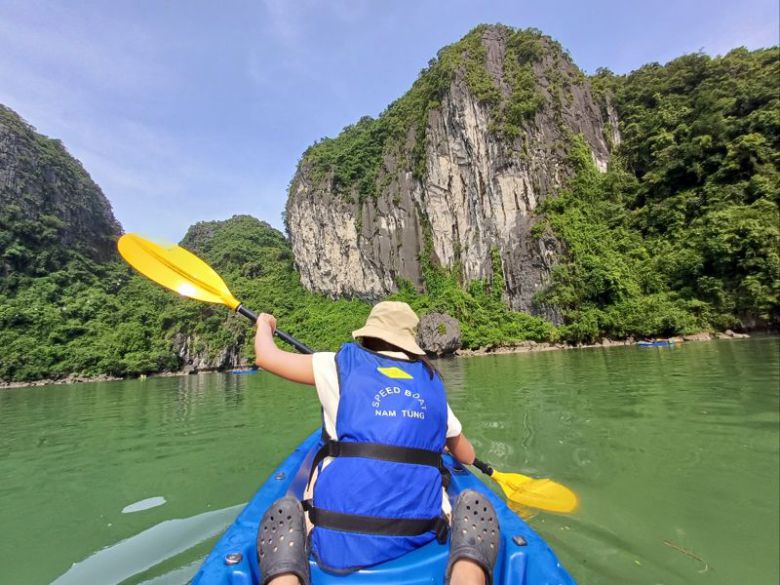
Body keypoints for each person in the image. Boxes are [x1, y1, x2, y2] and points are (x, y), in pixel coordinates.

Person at [253, 301, 499, 585]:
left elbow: (265, 356)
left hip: (338, 541)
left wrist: (264, 324)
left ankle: (285, 577)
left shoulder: (335, 364)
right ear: (410, 342)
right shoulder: (431, 381)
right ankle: (467, 572)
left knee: (290, 511)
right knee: (460, 509)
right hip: (420, 533)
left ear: (367, 335)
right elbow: (466, 455)